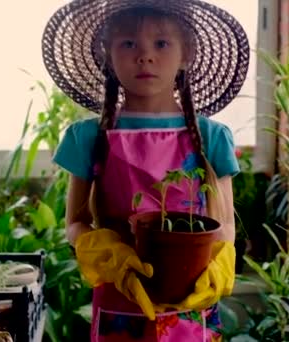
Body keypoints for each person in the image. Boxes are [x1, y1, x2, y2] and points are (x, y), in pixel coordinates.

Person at [42, 0, 250, 340]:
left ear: (188, 53)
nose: (145, 56)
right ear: (108, 55)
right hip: (119, 299)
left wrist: (220, 262)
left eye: (162, 43)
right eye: (128, 43)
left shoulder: (212, 138)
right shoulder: (87, 138)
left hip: (191, 302)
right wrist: (110, 255)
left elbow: (224, 223)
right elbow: (74, 223)